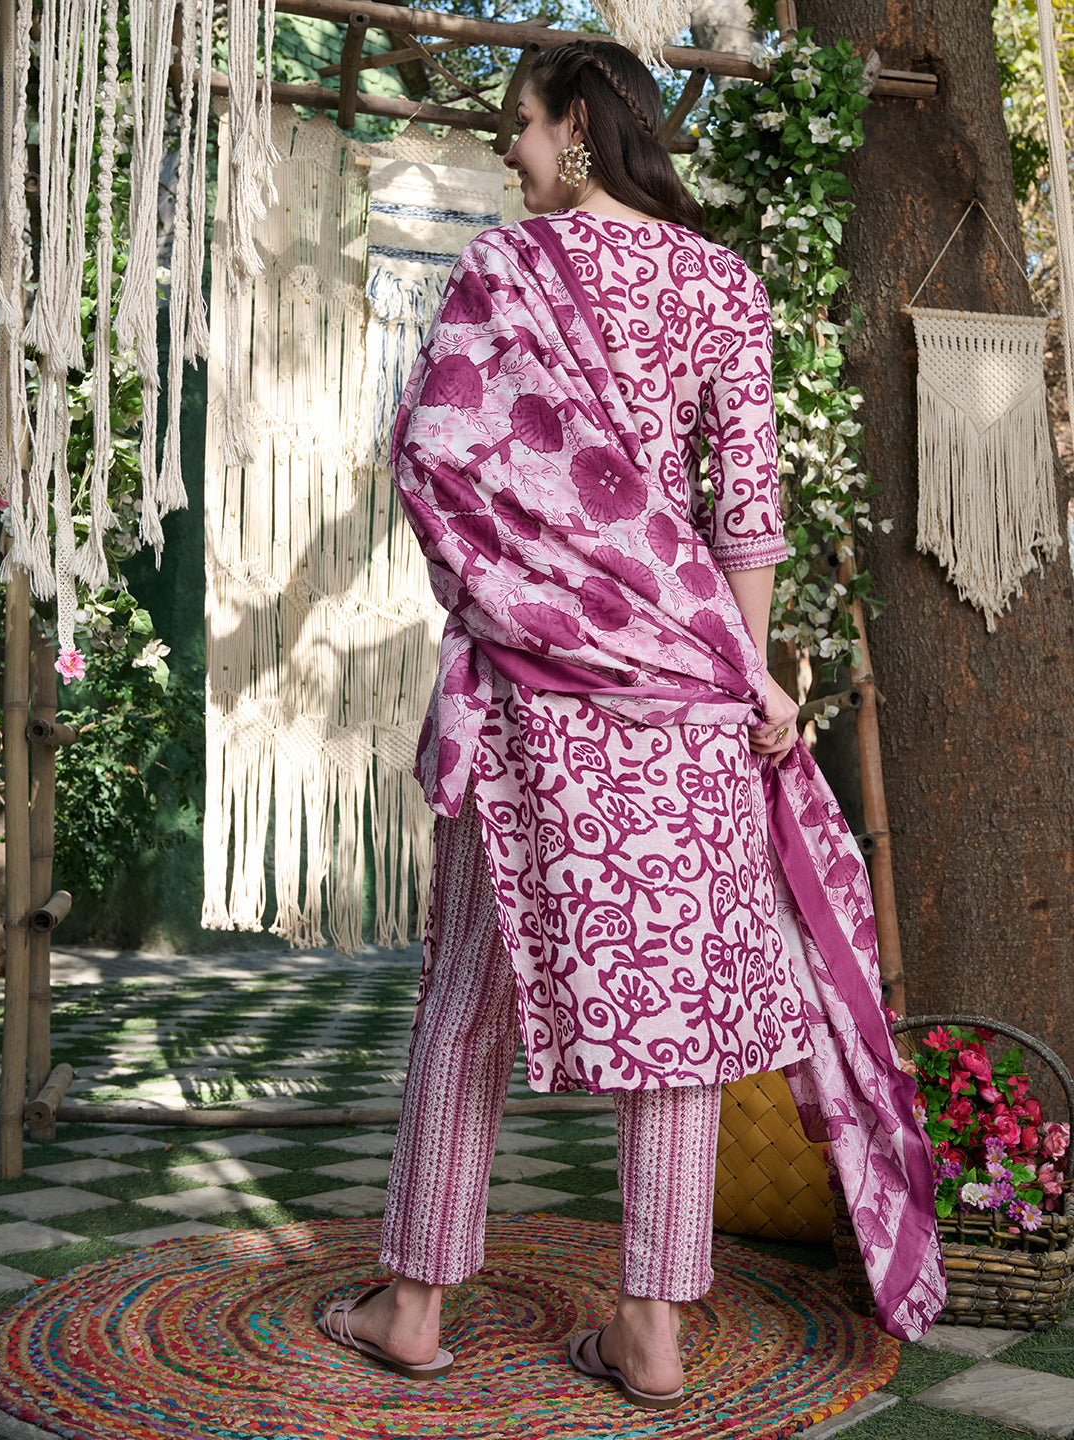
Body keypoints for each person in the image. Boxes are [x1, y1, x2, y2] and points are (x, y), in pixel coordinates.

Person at [318, 39, 945, 1410]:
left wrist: (529, 595)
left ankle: (413, 1305)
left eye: (522, 125)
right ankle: (653, 1331)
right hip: (687, 697)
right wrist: (744, 670)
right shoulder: (722, 284)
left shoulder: (503, 271)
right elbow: (748, 513)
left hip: (535, 692)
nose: (511, 151)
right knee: (676, 1018)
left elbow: (436, 456)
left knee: (468, 992)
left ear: (578, 129)